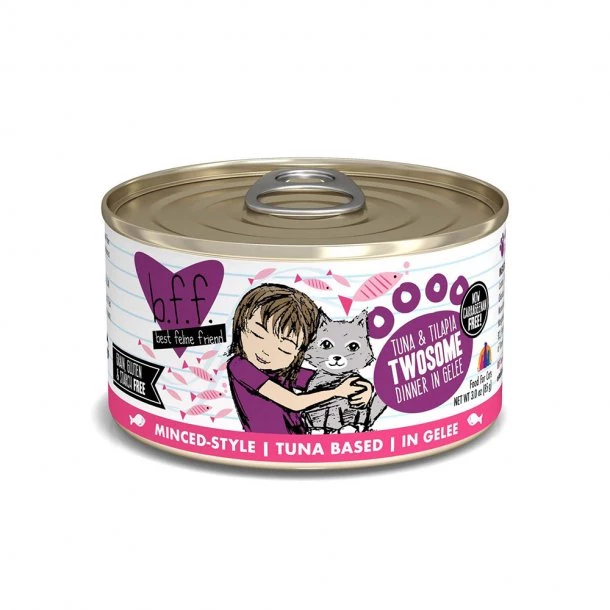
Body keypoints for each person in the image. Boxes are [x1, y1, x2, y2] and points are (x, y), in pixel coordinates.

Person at [227, 284, 371, 434]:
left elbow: (325, 379)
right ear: (240, 328)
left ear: (300, 352)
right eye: (257, 335)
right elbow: (293, 402)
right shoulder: (239, 366)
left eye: (284, 349)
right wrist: (337, 391)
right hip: (268, 441)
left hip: (300, 437)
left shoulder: (284, 370)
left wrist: (363, 387)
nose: (266, 351)